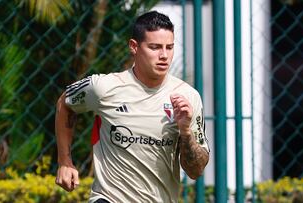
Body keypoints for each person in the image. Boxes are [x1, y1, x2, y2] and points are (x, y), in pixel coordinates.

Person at [55, 11, 210, 203]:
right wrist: (65, 161)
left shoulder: (188, 97)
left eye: (169, 47)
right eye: (154, 47)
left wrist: (186, 132)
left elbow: (196, 170)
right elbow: (65, 103)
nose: (164, 55)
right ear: (134, 47)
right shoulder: (104, 87)